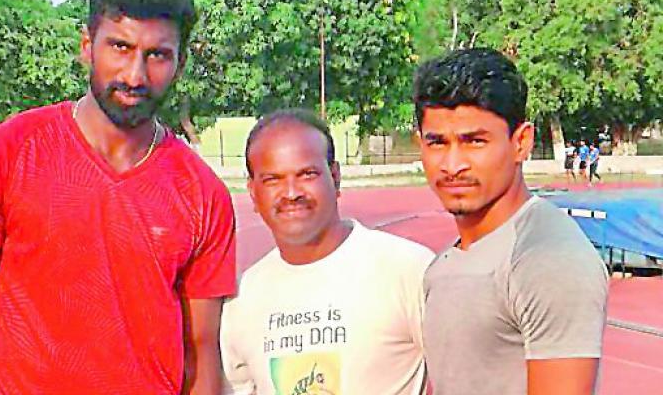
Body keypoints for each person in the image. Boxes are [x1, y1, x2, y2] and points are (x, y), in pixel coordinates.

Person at [0, 0, 236, 394]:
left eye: (158, 55)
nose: (135, 75)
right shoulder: (6, 153)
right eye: (119, 47)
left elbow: (201, 356)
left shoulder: (204, 194)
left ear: (180, 62)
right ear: (87, 46)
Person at [413, 48, 608, 395]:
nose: (453, 164)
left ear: (521, 143)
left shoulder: (548, 260)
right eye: (438, 143)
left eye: (475, 141)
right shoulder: (443, 265)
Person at [220, 109, 434, 395]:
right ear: (253, 193)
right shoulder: (241, 298)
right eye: (273, 179)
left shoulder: (408, 269)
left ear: (335, 177)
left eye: (307, 174)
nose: (291, 192)